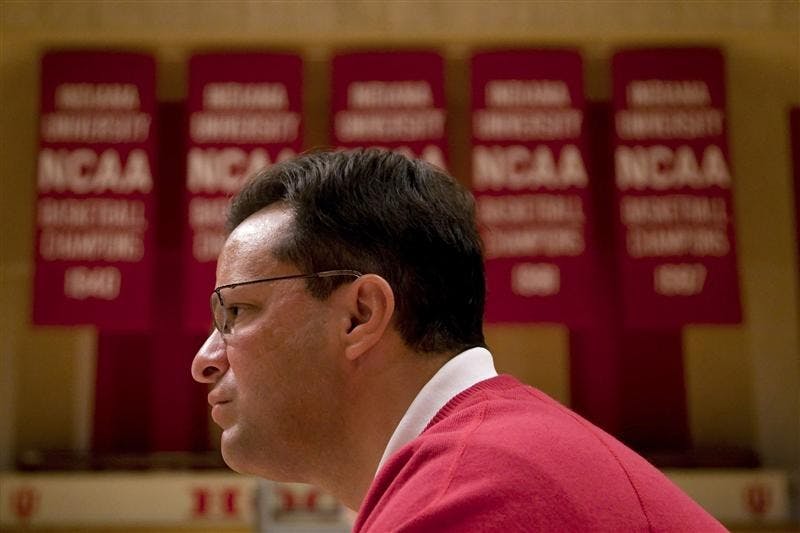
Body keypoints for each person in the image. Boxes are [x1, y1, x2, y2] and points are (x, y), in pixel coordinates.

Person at [191, 148, 725, 531]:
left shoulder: (465, 502)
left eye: (237, 311)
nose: (205, 361)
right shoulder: (491, 457)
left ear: (359, 315)